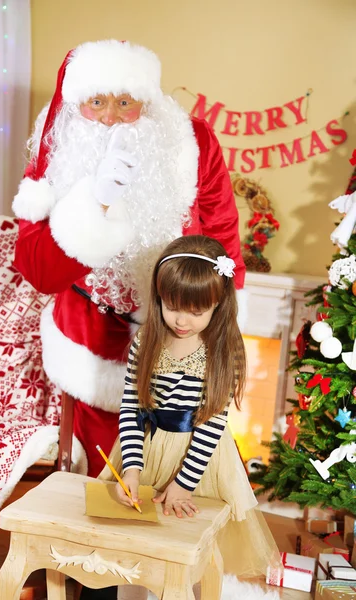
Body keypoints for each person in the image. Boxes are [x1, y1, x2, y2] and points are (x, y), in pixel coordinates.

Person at [12, 39, 246, 598]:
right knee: (106, 505)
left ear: (148, 98)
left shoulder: (193, 143)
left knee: (179, 502)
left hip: (182, 343)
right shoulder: (55, 155)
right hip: (92, 344)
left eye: (126, 102)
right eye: (97, 103)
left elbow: (223, 243)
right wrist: (91, 203)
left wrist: (212, 326)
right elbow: (39, 270)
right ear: (75, 105)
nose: (111, 118)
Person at [100, 235, 279, 598]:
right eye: (172, 306)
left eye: (197, 311)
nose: (182, 320)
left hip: (200, 460)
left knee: (190, 555)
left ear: (218, 303)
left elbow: (212, 425)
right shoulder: (145, 340)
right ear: (159, 297)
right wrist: (131, 469)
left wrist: (183, 484)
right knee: (133, 549)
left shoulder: (224, 351)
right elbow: (133, 409)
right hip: (147, 451)